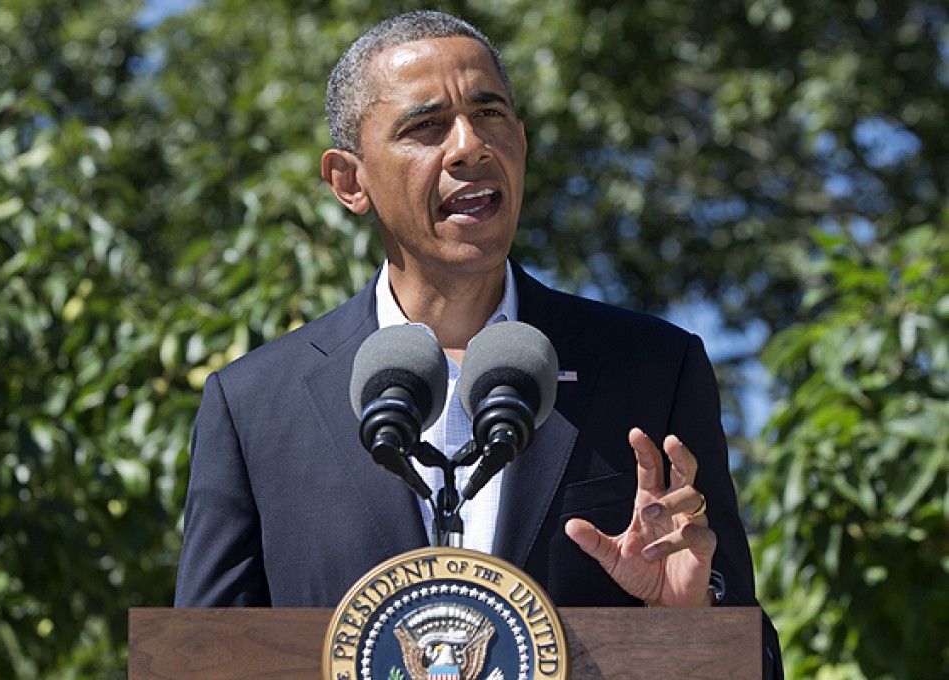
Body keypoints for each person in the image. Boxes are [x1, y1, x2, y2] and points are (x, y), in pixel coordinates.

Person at [174, 9, 782, 677]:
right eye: (425, 127)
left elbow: (752, 657)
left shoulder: (652, 369)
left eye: (491, 116)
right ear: (350, 181)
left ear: (520, 142)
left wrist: (684, 625)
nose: (470, 146)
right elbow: (201, 661)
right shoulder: (254, 403)